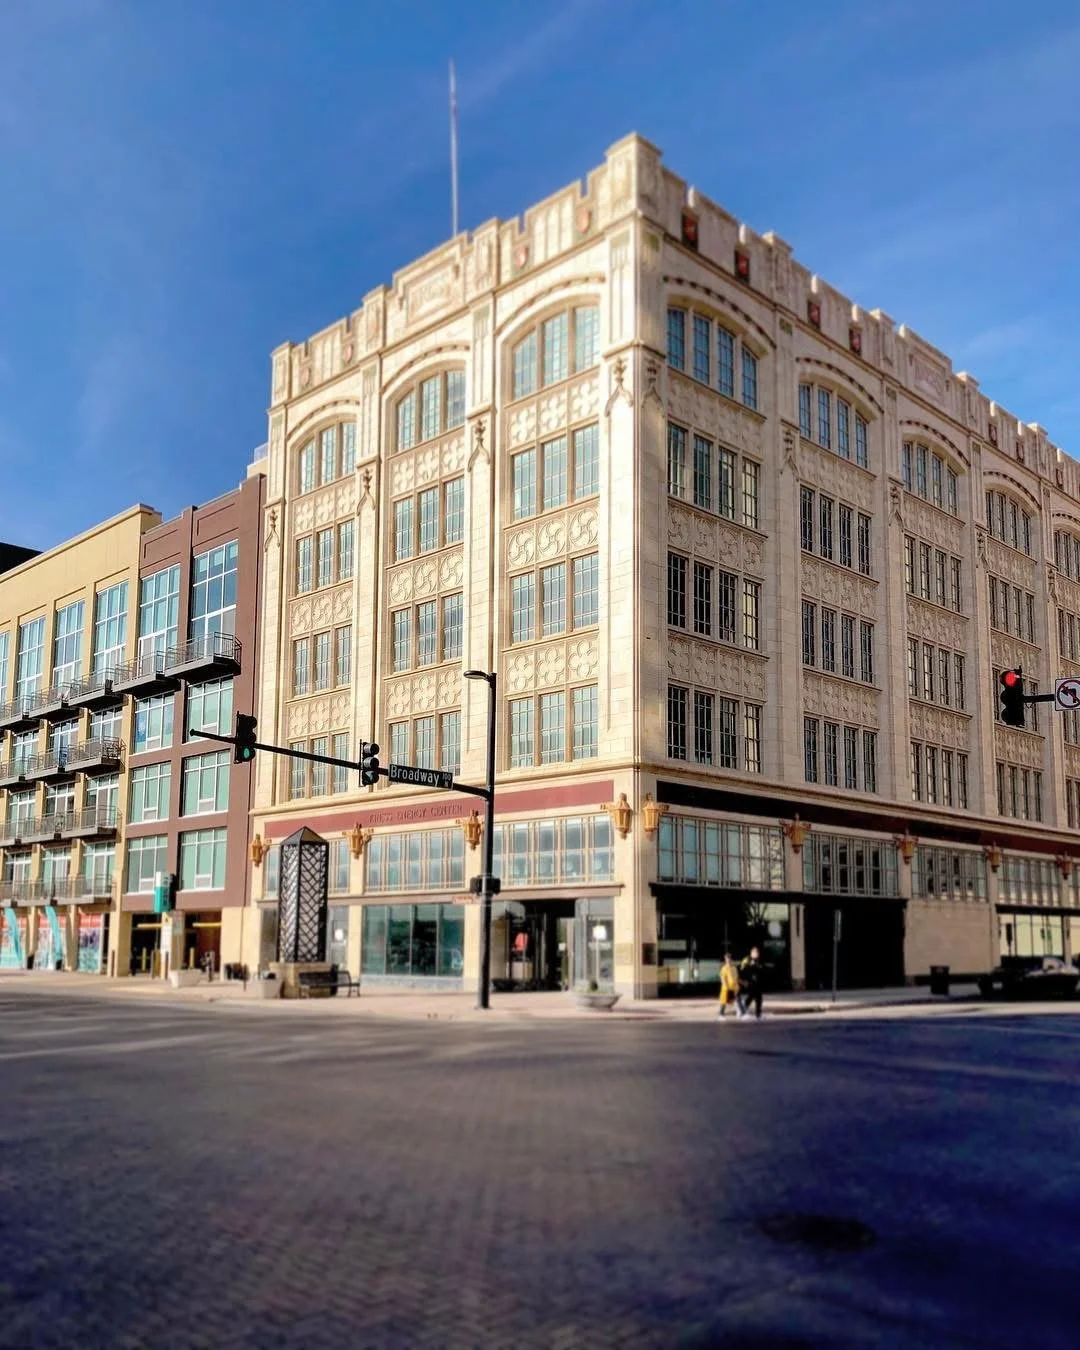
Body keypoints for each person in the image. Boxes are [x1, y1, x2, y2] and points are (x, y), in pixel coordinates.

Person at [738, 947, 765, 1020]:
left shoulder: (758, 961)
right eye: (756, 952)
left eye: (758, 952)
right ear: (752, 953)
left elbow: (759, 970)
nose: (758, 954)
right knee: (751, 996)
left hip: (757, 982)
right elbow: (742, 970)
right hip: (749, 982)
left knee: (759, 998)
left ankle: (758, 1014)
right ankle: (742, 1009)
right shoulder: (747, 960)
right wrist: (744, 981)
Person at [717, 953, 739, 1018]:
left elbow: (736, 978)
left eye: (729, 958)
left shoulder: (734, 968)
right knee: (724, 1001)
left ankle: (739, 1013)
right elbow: (722, 978)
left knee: (734, 1001)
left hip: (733, 987)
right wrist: (725, 986)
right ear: (725, 959)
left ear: (731, 959)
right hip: (726, 988)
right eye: (727, 959)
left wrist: (736, 986)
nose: (728, 960)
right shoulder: (724, 968)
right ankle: (721, 1015)